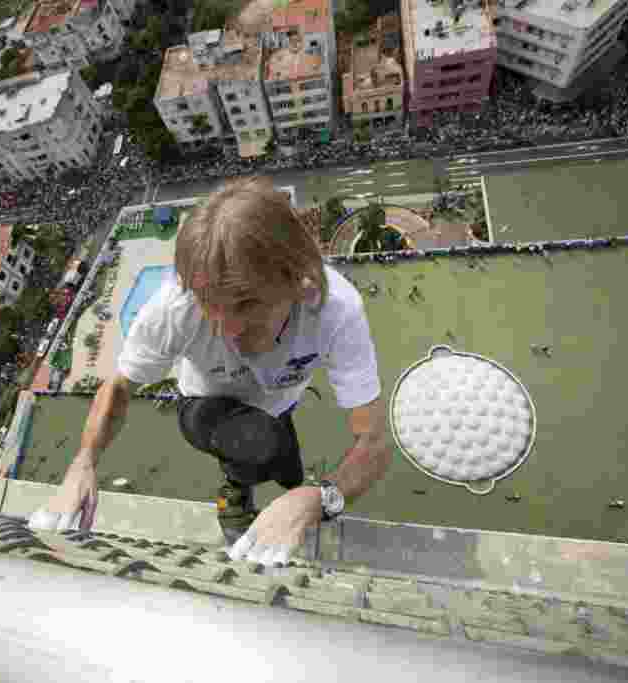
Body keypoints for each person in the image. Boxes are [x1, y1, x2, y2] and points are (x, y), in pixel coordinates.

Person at [20, 177, 388, 566]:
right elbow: (120, 384)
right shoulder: (174, 308)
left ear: (297, 279)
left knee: (288, 467)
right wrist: (83, 463)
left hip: (279, 403)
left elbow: (374, 441)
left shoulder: (335, 309)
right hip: (205, 406)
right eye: (209, 301)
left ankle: (279, 486)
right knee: (256, 442)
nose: (227, 328)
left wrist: (318, 498)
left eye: (246, 303)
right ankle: (234, 493)